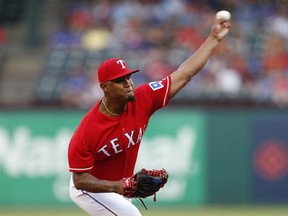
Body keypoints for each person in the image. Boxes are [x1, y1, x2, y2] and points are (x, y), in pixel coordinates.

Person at [68, 16, 231, 216]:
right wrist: (119, 186)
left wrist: (213, 39)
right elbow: (79, 180)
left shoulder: (143, 97)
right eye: (120, 80)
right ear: (105, 87)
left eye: (128, 77)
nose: (128, 83)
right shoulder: (88, 130)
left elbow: (184, 73)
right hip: (88, 190)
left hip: (118, 189)